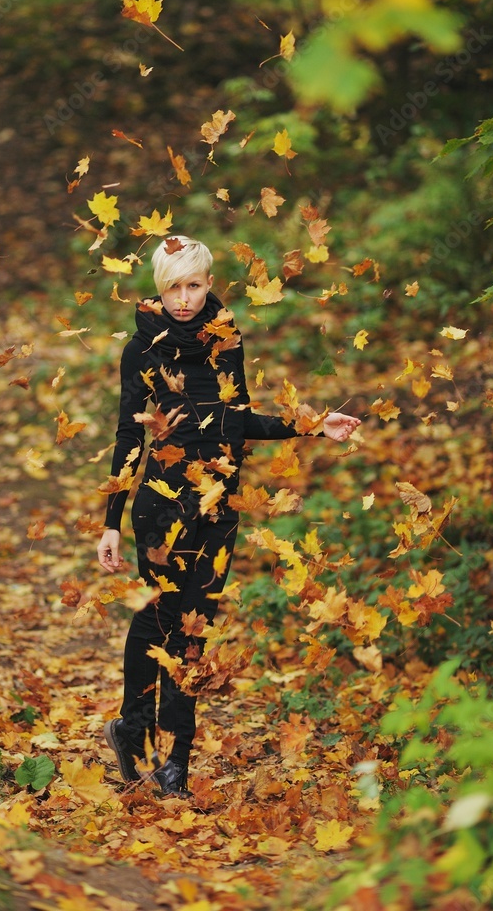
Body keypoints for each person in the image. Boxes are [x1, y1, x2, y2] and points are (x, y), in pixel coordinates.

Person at [97, 235, 360, 798]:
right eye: (173, 287)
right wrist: (110, 521)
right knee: (162, 617)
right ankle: (135, 730)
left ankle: (177, 766)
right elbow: (127, 437)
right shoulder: (143, 349)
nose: (184, 298)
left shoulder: (227, 341)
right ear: (158, 288)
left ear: (210, 283)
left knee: (195, 629)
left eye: (194, 285)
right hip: (162, 505)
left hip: (219, 506)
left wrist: (311, 423)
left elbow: (236, 423)